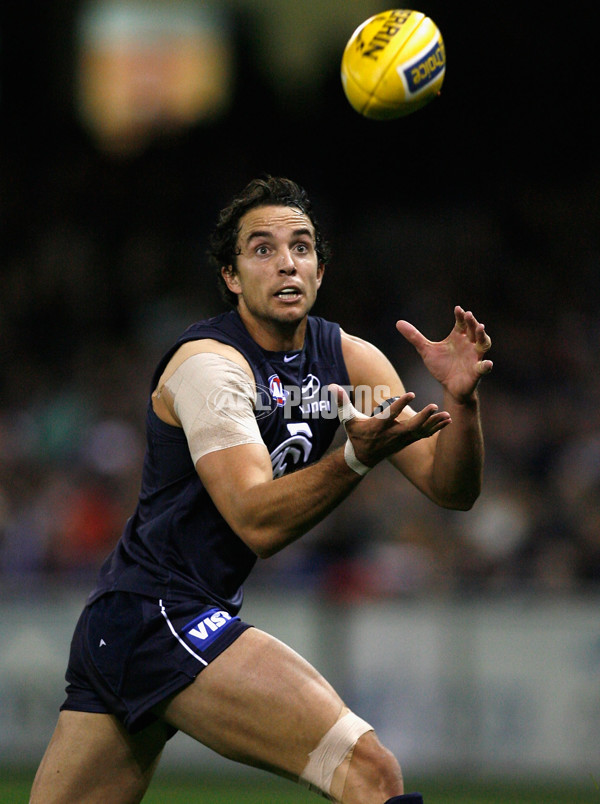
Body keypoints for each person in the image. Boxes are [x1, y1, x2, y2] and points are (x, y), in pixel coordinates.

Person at [30, 176, 492, 804]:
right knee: (370, 772)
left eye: (300, 247)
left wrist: (462, 405)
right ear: (231, 275)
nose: (285, 263)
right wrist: (354, 459)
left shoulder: (347, 367)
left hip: (136, 623)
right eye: (262, 249)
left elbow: (450, 486)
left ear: (320, 271)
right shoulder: (210, 367)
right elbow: (255, 521)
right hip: (162, 611)